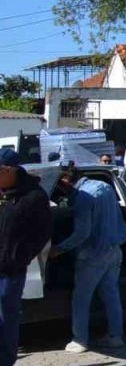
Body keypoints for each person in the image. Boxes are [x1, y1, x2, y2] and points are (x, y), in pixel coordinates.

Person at [50, 163, 126, 354]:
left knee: (81, 298)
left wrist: (58, 250)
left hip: (93, 254)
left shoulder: (83, 197)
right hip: (114, 248)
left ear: (65, 181)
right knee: (111, 294)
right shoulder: (104, 186)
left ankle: (80, 341)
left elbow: (82, 233)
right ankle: (115, 336)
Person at [0, 149, 52, 366]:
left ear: (10, 170)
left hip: (10, 271)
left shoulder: (34, 197)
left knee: (6, 321)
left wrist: (21, 255)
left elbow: (43, 233)